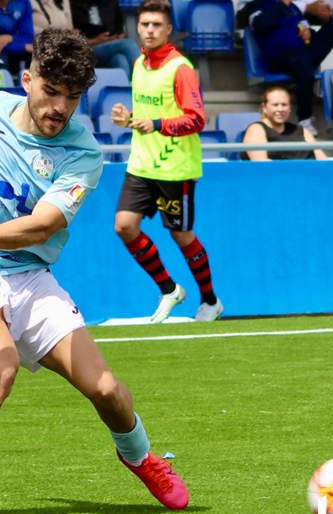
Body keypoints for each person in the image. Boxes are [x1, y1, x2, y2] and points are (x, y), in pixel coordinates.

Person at [0, 28, 190, 514]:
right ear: (28, 79)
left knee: (106, 389)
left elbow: (42, 225)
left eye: (72, 97)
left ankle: (141, 457)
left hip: (29, 274)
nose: (60, 106)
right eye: (51, 90)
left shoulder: (83, 154)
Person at [111, 0, 223, 323]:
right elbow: (146, 117)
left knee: (181, 236)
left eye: (156, 25)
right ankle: (169, 289)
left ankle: (210, 301)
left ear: (168, 29)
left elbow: (197, 119)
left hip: (175, 168)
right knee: (124, 226)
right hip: (141, 165)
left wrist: (158, 124)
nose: (149, 30)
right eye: (144, 24)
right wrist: (128, 119)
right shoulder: (138, 65)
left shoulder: (181, 68)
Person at [248, 0, 333, 135]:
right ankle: (304, 119)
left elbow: (302, 22)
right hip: (279, 56)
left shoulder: (293, 7)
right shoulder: (257, 6)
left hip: (302, 53)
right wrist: (281, 5)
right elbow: (261, 25)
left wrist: (306, 29)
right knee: (304, 67)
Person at [242, 85, 328, 160]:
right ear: (264, 107)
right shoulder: (256, 129)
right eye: (275, 105)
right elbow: (261, 164)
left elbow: (322, 160)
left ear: (290, 107)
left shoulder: (302, 130)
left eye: (284, 105)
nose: (280, 109)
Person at [71, 0, 141, 76]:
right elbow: (73, 40)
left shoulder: (111, 3)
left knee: (120, 60)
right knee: (129, 44)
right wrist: (97, 40)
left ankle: (128, 86)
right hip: (88, 48)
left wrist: (117, 36)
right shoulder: (73, 6)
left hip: (112, 44)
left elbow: (119, 28)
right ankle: (144, 80)